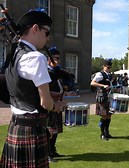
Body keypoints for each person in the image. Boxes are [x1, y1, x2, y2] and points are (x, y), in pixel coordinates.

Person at [0, 9, 64, 167]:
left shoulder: (14, 54)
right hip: (33, 131)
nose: (47, 39)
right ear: (35, 28)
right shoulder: (36, 57)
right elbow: (45, 104)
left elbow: (21, 89)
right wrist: (56, 106)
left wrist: (49, 94)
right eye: (46, 32)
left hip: (15, 127)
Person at [47, 46, 72, 162]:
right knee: (50, 130)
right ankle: (48, 154)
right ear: (49, 59)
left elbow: (64, 82)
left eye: (58, 58)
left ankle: (53, 150)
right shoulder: (45, 71)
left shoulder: (56, 70)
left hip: (57, 102)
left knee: (55, 130)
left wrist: (66, 89)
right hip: (49, 103)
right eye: (55, 58)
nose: (57, 60)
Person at [90, 59, 114, 140]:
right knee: (104, 116)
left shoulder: (109, 75)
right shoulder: (100, 74)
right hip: (102, 97)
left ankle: (107, 132)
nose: (109, 69)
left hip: (108, 97)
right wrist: (102, 85)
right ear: (104, 66)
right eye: (108, 67)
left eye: (110, 67)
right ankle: (102, 134)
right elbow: (92, 83)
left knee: (109, 115)